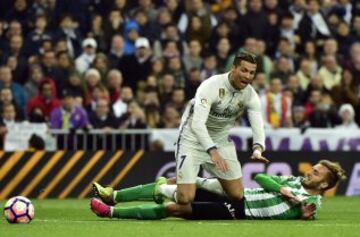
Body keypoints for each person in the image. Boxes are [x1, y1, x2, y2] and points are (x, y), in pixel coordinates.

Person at [163, 52, 268, 206]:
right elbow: (197, 124)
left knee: (237, 194)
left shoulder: (250, 95)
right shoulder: (211, 86)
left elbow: (257, 122)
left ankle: (193, 181)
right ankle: (161, 188)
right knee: (185, 199)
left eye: (252, 72)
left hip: (220, 140)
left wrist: (258, 148)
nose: (247, 76)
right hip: (192, 138)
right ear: (233, 68)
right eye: (244, 70)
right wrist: (212, 152)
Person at [90, 160, 346, 220]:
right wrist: (283, 189)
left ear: (323, 185)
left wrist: (304, 211)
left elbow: (308, 212)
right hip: (237, 194)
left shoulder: (313, 200)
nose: (310, 173)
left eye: (316, 173)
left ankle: (111, 212)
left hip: (241, 210)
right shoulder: (292, 182)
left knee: (176, 208)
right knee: (174, 184)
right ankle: (113, 195)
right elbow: (260, 176)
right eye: (313, 169)